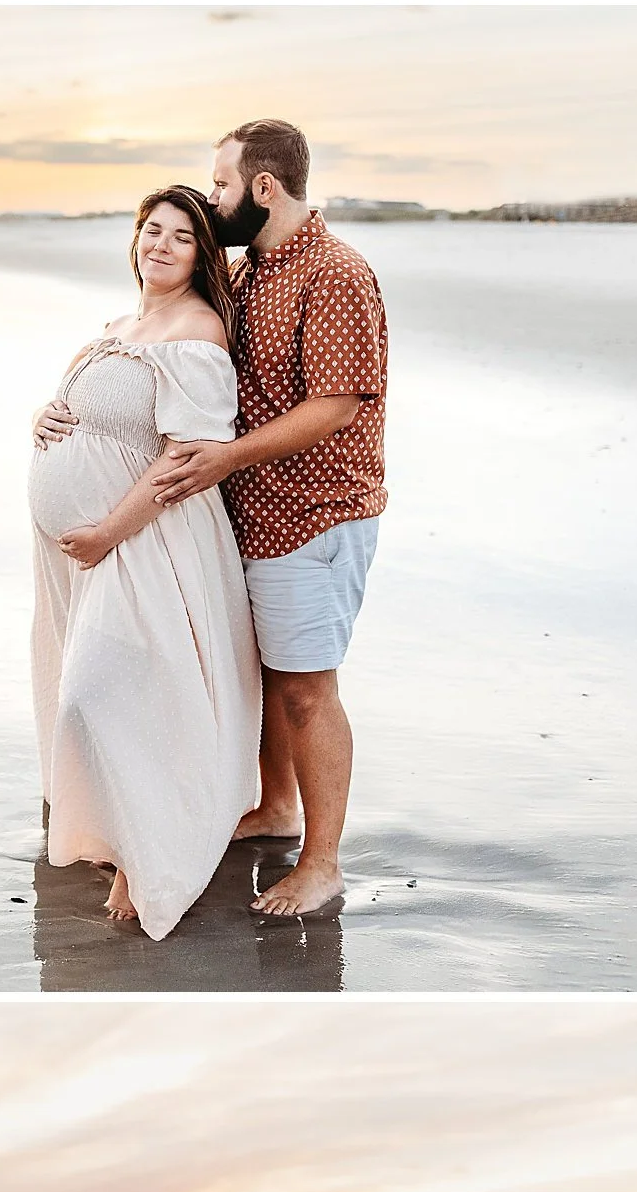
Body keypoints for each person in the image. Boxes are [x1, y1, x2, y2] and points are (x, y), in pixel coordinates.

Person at [154, 120, 389, 919]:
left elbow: (335, 405)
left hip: (316, 514)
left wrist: (226, 458)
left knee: (306, 691)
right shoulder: (249, 269)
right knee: (269, 676)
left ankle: (322, 864)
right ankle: (276, 807)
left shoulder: (334, 273)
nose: (213, 197)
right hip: (252, 513)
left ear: (263, 187)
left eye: (221, 184)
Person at [29, 185, 263, 938]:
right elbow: (82, 412)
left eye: (182, 237)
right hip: (82, 555)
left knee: (107, 695)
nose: (161, 245)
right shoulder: (117, 328)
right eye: (152, 230)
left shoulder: (198, 331)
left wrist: (107, 532)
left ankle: (150, 857)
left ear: (202, 255)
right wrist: (44, 416)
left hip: (146, 542)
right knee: (102, 689)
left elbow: (185, 459)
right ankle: (117, 835)